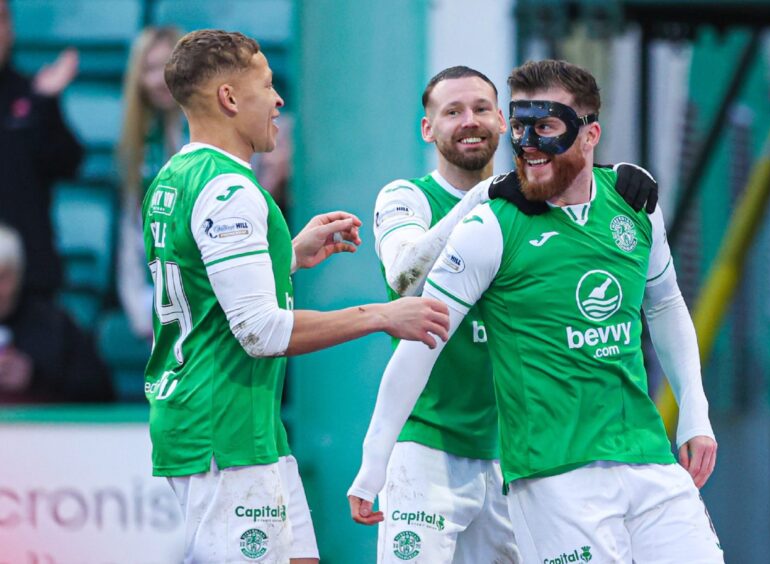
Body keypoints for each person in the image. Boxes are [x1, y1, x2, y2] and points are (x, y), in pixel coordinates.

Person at [349, 59, 723, 563]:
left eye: (483, 109)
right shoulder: (460, 211)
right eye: (452, 111)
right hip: (450, 445)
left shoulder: (629, 201)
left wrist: (695, 416)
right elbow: (404, 282)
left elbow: (667, 301)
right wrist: (373, 464)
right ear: (428, 127)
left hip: (523, 446)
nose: (471, 122)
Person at [147, 30, 450, 563]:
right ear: (229, 98)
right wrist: (382, 314)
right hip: (226, 431)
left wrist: (286, 253)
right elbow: (260, 331)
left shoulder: (176, 175)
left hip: (237, 427)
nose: (279, 99)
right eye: (267, 85)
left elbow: (202, 286)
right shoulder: (229, 189)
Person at [0, 0, 83, 300]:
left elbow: (69, 163)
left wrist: (44, 105)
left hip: (29, 277)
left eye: (2, 20)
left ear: (11, 31)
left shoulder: (33, 95)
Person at [116, 26, 184, 339]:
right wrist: (136, 304)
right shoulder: (139, 143)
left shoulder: (219, 128)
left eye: (167, 66)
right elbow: (132, 230)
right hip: (161, 301)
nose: (159, 79)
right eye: (149, 69)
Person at [0, 224, 113, 403]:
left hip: (42, 428)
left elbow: (100, 390)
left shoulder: (54, 325)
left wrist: (34, 378)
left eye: (2, 277)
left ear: (18, 275)